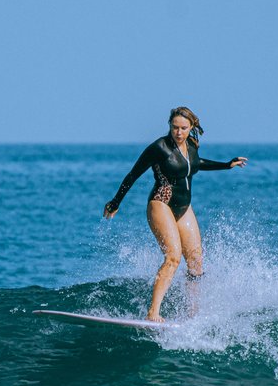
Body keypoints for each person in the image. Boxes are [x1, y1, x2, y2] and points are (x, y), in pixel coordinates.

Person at [103, 106, 247, 322]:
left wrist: (226, 165)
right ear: (169, 126)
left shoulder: (191, 145)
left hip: (184, 208)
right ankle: (153, 312)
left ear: (191, 127)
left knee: (196, 261)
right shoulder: (159, 148)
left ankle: (193, 313)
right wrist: (116, 202)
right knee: (172, 257)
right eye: (174, 127)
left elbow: (196, 165)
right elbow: (133, 175)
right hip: (161, 204)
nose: (178, 132)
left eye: (183, 128)